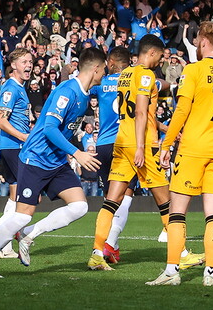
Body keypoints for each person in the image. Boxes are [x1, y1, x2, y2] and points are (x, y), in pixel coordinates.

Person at [0, 47, 106, 278]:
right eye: (103, 69)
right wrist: (77, 153)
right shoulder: (68, 91)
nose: (104, 74)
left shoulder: (84, 95)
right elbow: (50, 128)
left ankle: (28, 234)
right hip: (35, 158)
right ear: (95, 69)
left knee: (79, 206)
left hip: (56, 161)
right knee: (22, 215)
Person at [90, 35, 203, 271]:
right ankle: (181, 254)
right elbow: (140, 112)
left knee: (111, 201)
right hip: (141, 144)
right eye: (160, 56)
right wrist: (142, 147)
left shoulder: (125, 75)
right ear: (151, 53)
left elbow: (141, 114)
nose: (161, 61)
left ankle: (97, 253)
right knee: (167, 203)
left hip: (122, 142)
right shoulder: (145, 75)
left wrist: (165, 128)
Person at [147, 21, 213, 287]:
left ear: (203, 41)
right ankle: (210, 275)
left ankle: (172, 271)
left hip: (192, 149)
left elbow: (182, 111)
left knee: (177, 212)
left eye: (197, 40)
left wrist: (167, 144)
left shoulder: (193, 70)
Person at [0, 47, 36, 260]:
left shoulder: (20, 87)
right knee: (28, 196)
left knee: (15, 196)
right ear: (13, 65)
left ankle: (4, 246)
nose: (29, 65)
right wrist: (24, 137)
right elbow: (1, 122)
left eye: (30, 62)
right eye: (24, 62)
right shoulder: (11, 88)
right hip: (14, 147)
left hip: (14, 147)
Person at [89, 46, 132, 263]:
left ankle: (110, 247)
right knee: (126, 194)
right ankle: (109, 243)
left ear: (111, 63)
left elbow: (85, 87)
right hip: (125, 143)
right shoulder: (134, 81)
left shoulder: (102, 83)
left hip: (104, 145)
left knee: (109, 198)